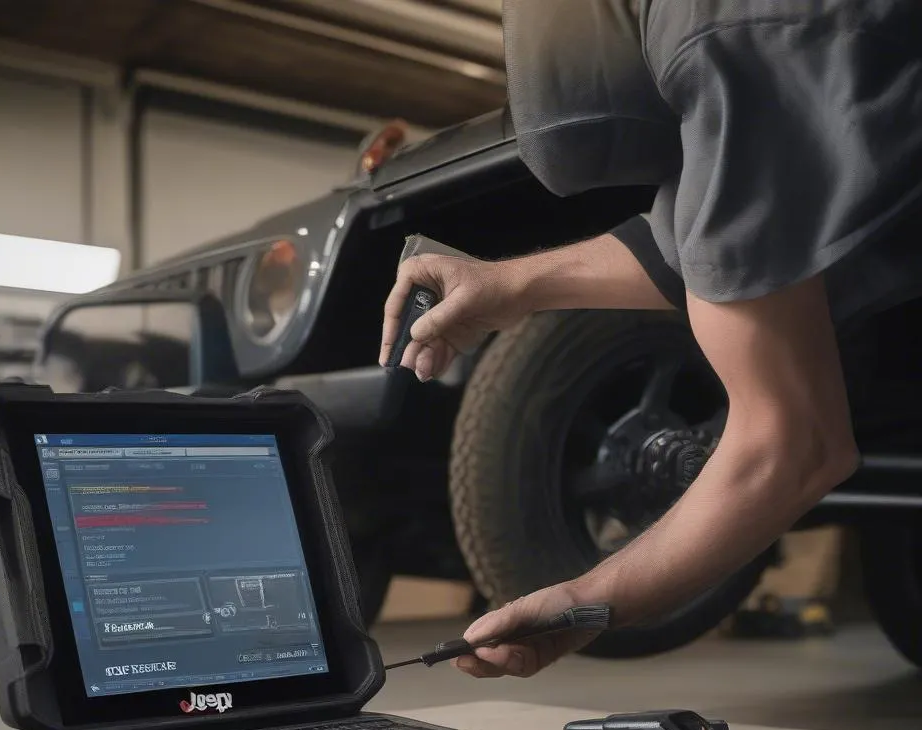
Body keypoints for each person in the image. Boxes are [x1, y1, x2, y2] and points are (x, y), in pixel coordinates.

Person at [378, 0, 922, 680]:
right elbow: (704, 250)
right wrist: (509, 286)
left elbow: (793, 446)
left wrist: (584, 602)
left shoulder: (721, 31)